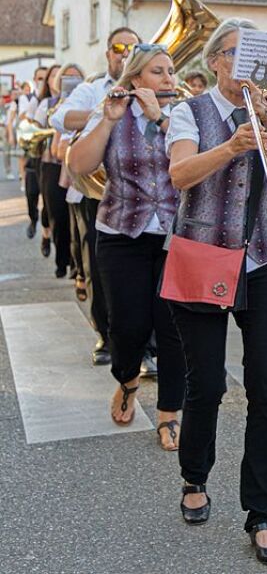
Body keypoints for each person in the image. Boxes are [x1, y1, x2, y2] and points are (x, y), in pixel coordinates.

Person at [167, 18, 267, 565]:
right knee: (207, 383)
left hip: (263, 255)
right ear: (218, 61)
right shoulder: (189, 110)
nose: (249, 68)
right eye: (241, 55)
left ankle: (263, 513)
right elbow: (179, 174)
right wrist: (230, 145)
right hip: (202, 253)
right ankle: (194, 477)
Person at [68, 45, 185, 448]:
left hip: (174, 236)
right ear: (136, 79)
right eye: (159, 72)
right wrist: (106, 120)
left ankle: (170, 412)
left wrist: (162, 118)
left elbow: (199, 162)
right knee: (127, 325)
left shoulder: (181, 114)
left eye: (171, 71)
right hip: (120, 232)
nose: (169, 79)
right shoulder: (111, 111)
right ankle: (128, 380)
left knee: (172, 328)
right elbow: (77, 165)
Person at [54, 27, 140, 365]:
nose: (126, 53)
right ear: (108, 54)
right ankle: (105, 336)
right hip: (97, 192)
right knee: (99, 266)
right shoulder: (92, 90)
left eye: (134, 48)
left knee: (143, 269)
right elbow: (59, 118)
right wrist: (105, 112)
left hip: (141, 194)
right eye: (119, 47)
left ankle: (145, 343)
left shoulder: (153, 90)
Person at [36, 63, 84, 279]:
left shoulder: (87, 99)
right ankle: (61, 260)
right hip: (53, 166)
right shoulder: (50, 103)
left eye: (76, 77)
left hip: (78, 170)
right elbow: (55, 148)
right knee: (57, 214)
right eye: (66, 77)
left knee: (75, 220)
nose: (71, 81)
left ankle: (76, 266)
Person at [19, 66, 49, 239]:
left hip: (50, 157)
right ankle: (33, 219)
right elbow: (26, 122)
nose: (43, 81)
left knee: (49, 198)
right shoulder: (32, 100)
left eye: (46, 78)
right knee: (31, 193)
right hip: (34, 153)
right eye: (40, 78)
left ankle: (46, 232)